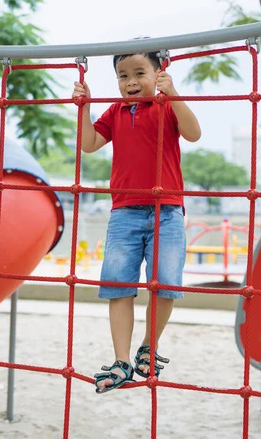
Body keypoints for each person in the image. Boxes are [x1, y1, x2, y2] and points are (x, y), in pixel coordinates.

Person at [72, 51, 201, 393]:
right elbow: (88, 144)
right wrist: (84, 107)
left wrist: (172, 93)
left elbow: (194, 133)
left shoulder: (166, 107)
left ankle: (148, 346)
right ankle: (122, 360)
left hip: (167, 210)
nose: (130, 81)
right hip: (124, 211)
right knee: (118, 285)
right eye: (122, 75)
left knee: (166, 283)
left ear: (159, 73)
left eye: (139, 72)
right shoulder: (115, 111)